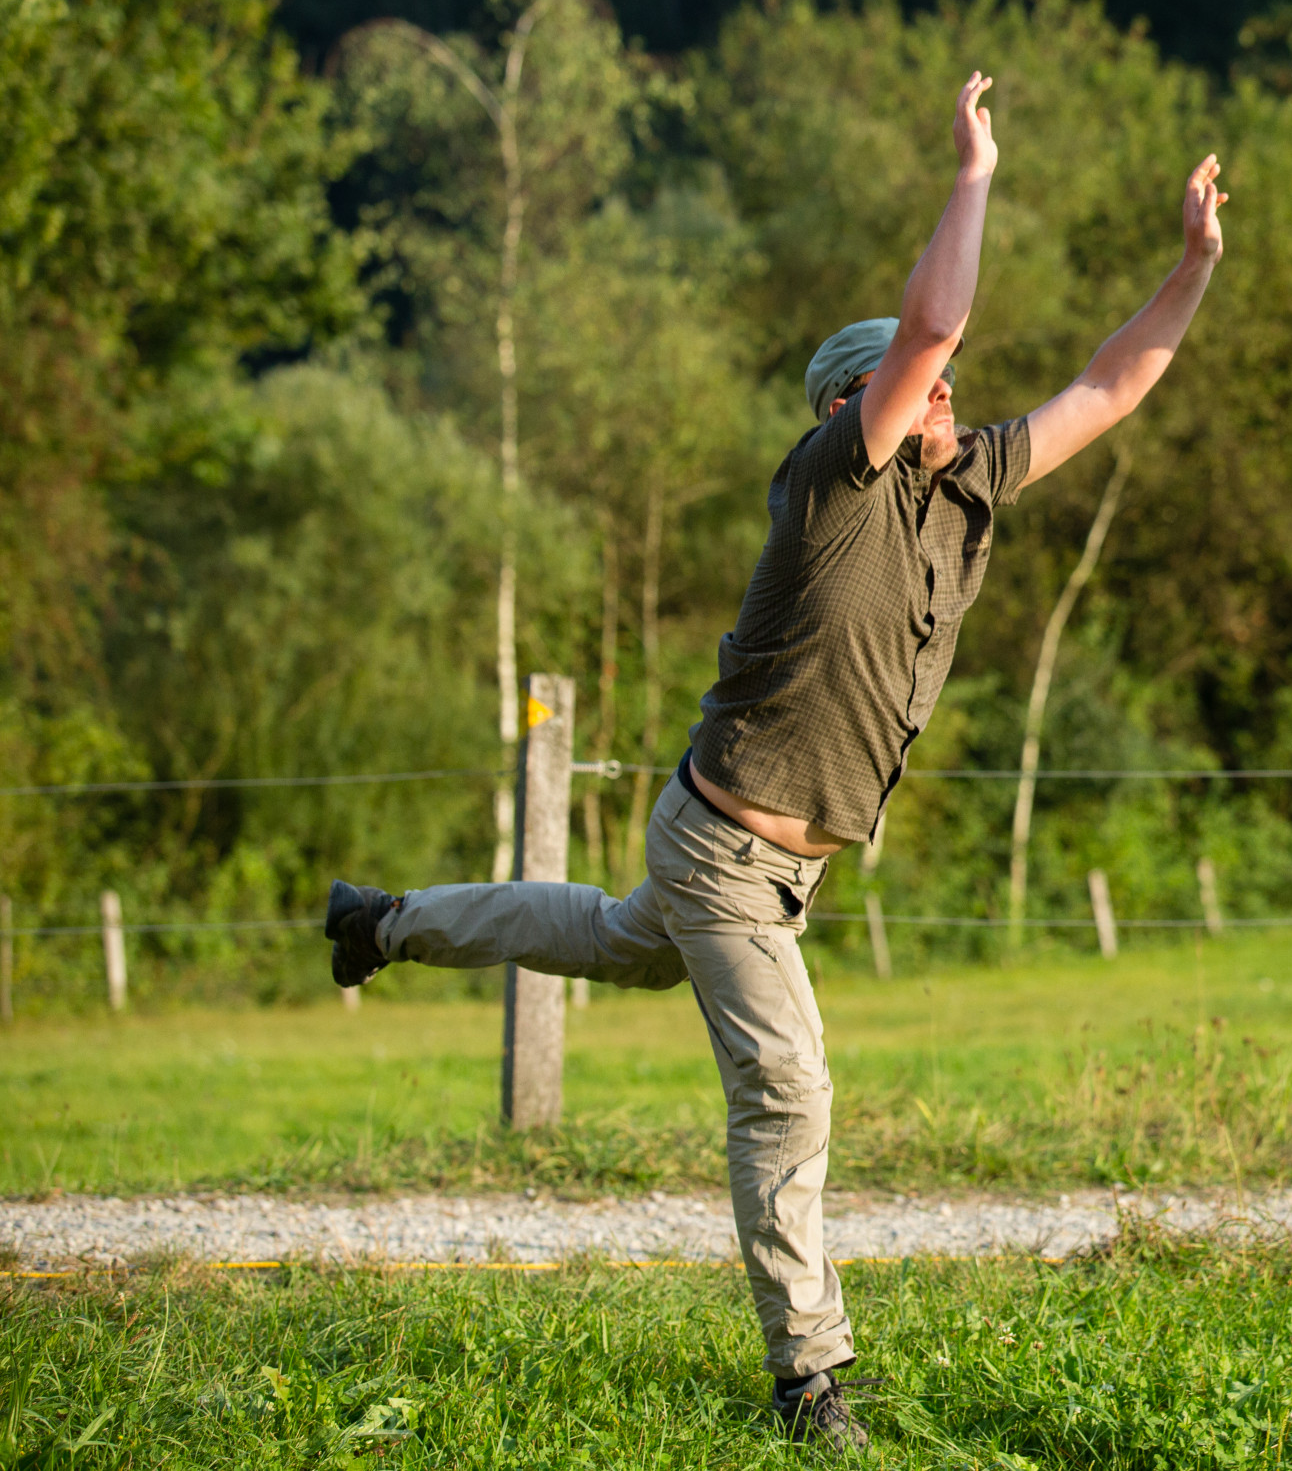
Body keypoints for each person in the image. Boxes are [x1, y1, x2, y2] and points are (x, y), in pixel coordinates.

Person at [321, 70, 1226, 1448]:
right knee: (791, 1089)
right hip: (730, 849)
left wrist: (1191, 266)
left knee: (614, 938)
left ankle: (381, 921)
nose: (949, 396)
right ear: (849, 403)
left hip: (754, 861)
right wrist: (973, 172)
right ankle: (810, 1376)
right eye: (920, 387)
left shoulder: (966, 486)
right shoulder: (833, 484)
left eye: (950, 391)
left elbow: (1111, 381)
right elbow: (934, 320)